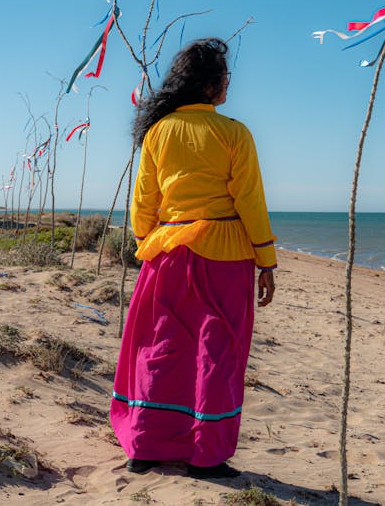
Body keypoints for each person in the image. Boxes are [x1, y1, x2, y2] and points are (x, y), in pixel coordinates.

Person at [110, 37, 276, 480]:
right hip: (224, 254)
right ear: (207, 85)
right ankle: (207, 456)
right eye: (224, 78)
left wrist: (150, 241)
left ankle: (144, 447)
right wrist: (266, 259)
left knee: (161, 348)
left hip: (166, 252)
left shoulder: (158, 131)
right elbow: (250, 201)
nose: (228, 86)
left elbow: (144, 199)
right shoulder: (234, 132)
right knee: (217, 351)